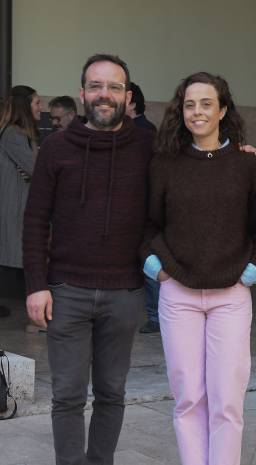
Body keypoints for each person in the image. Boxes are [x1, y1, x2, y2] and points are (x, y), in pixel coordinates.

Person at [23, 54, 154, 465]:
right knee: (67, 396)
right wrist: (35, 286)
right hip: (66, 292)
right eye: (96, 86)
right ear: (82, 92)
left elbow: (198, 163)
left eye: (114, 87)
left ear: (127, 95)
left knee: (113, 394)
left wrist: (239, 148)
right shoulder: (55, 147)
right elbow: (35, 219)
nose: (104, 94)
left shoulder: (149, 148)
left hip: (126, 293)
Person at [142, 71, 256, 465]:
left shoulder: (247, 166)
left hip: (231, 296)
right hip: (178, 292)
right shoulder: (165, 164)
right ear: (180, 111)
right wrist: (157, 268)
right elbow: (148, 226)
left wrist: (253, 269)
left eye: (206, 103)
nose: (197, 111)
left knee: (227, 400)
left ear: (222, 110)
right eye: (189, 104)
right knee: (188, 398)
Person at [0, 85, 40, 319]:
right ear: (26, 106)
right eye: (36, 102)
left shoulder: (16, 133)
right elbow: (37, 169)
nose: (40, 107)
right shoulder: (14, 134)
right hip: (12, 206)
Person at [126, 81, 160, 334]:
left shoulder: (144, 132)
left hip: (144, 208)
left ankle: (156, 316)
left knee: (149, 261)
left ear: (132, 102)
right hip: (136, 206)